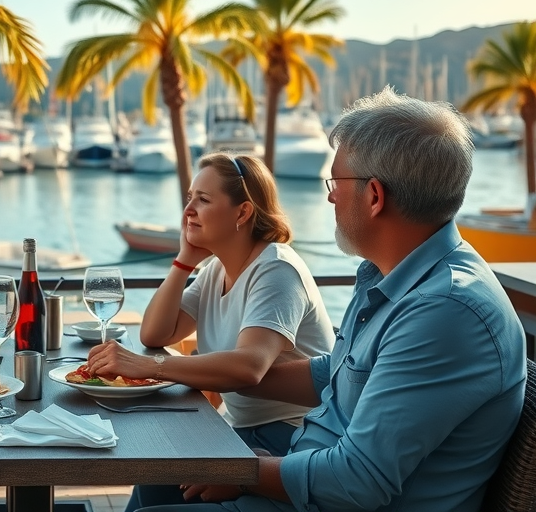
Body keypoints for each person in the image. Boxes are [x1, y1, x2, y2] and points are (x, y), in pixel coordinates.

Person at [134, 88, 528, 512]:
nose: (330, 196)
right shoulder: (389, 276)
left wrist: (248, 471)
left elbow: (357, 482)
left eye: (336, 182)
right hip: (307, 466)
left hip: (333, 500)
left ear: (374, 196)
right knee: (156, 477)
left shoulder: (445, 312)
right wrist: (191, 376)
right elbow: (336, 375)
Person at [86, 153, 336, 511]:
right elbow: (155, 334)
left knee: (160, 478)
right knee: (156, 475)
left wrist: (150, 367)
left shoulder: (276, 270)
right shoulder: (216, 270)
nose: (188, 210)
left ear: (242, 212)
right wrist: (184, 260)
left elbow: (249, 366)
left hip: (296, 436)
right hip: (240, 427)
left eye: (203, 200)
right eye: (190, 198)